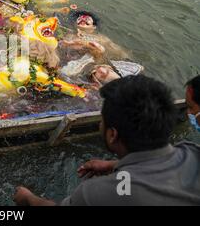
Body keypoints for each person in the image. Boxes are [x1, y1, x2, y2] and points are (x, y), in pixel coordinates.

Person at [14, 75, 200, 206]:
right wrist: (114, 165)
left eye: (102, 120)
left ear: (112, 135)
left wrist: (28, 198)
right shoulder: (192, 152)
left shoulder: (99, 194)